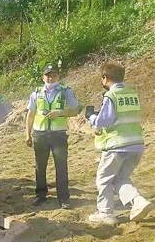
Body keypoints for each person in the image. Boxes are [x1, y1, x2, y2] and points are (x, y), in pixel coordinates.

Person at [87, 61, 153, 225]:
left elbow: (103, 122)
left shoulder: (111, 95)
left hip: (117, 145)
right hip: (136, 144)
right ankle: (138, 201)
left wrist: (91, 117)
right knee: (120, 178)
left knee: (104, 179)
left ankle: (105, 213)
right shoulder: (132, 93)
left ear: (105, 77)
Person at [25, 65, 79, 209]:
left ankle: (63, 198)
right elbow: (30, 114)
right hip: (40, 134)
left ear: (58, 77)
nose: (50, 78)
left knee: (61, 167)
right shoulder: (36, 93)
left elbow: (75, 110)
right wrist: (27, 134)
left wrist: (60, 113)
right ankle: (40, 195)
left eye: (53, 75)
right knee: (40, 166)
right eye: (48, 75)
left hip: (58, 135)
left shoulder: (66, 91)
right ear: (43, 77)